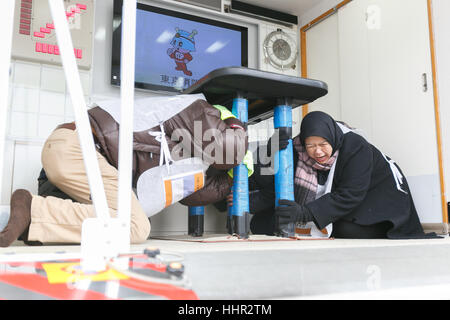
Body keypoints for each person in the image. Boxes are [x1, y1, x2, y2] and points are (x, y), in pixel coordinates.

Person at [0, 95, 248, 247]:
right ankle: (34, 210)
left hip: (68, 151)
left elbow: (195, 195)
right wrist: (240, 132)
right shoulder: (200, 110)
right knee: (135, 226)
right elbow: (229, 149)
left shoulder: (193, 154)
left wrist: (227, 179)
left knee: (112, 218)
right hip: (81, 148)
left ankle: (20, 216)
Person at [249, 111, 437, 239]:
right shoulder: (298, 149)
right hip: (345, 207)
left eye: (323, 144)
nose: (318, 152)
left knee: (346, 229)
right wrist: (273, 147)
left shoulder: (356, 147)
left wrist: (305, 213)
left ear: (332, 137)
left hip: (379, 205)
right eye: (311, 146)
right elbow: (269, 177)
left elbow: (351, 194)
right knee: (261, 223)